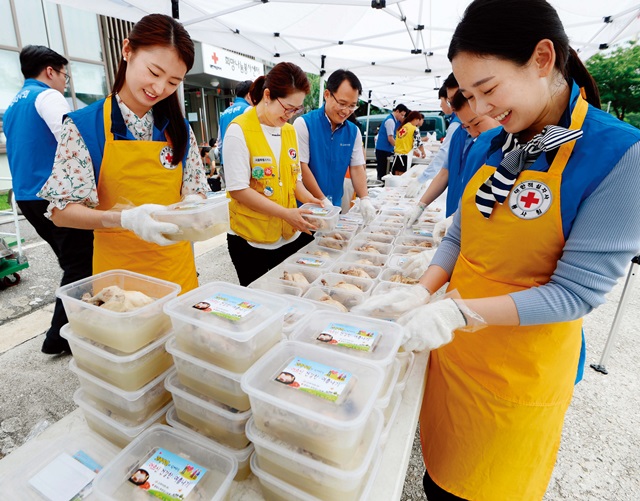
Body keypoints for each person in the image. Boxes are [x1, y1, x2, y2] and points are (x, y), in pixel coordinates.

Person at [353, 1, 640, 499]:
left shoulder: (618, 156)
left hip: (517, 373)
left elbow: (574, 294)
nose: (481, 110)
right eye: (468, 95)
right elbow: (462, 235)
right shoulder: (498, 144)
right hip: (455, 357)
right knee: (436, 476)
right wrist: (423, 292)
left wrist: (457, 314)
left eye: (488, 89)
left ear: (543, 58)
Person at [39, 14, 209, 293]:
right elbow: (62, 212)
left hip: (177, 274)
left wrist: (193, 207)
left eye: (173, 82)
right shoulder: (84, 126)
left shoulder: (179, 130)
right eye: (154, 73)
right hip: (119, 283)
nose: (159, 88)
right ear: (127, 50)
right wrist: (124, 219)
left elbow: (197, 190)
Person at [4, 45, 94, 355]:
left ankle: (82, 321)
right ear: (50, 71)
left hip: (28, 196)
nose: (66, 82)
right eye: (65, 74)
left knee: (74, 261)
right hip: (53, 196)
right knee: (80, 263)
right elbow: (72, 138)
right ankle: (59, 337)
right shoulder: (48, 96)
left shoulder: (13, 104)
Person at [223, 62, 324, 286]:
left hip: (287, 237)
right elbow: (239, 190)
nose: (290, 115)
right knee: (259, 305)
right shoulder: (238, 131)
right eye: (287, 107)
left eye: (296, 109)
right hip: (250, 242)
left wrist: (310, 200)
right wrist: (285, 213)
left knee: (291, 298)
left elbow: (293, 180)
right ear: (267, 95)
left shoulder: (289, 131)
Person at [404, 91, 500, 228]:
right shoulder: (459, 135)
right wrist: (421, 205)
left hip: (479, 224)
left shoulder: (502, 145)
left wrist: (459, 217)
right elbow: (445, 172)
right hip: (456, 216)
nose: (473, 133)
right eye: (466, 126)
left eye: (477, 123)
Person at [293, 69, 376, 222]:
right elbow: (301, 167)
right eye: (342, 103)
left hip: (334, 207)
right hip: (306, 209)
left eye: (352, 106)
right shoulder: (304, 124)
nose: (346, 111)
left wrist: (365, 198)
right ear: (327, 95)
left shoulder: (353, 131)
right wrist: (322, 200)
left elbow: (357, 167)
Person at [405, 75, 461, 197]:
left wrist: (422, 178)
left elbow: (445, 152)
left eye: (442, 101)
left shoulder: (458, 121)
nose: (441, 105)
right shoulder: (456, 120)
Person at [218, 79, 253, 179]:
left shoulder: (224, 113)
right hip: (244, 161)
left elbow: (220, 142)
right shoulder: (249, 110)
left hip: (226, 162)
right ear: (249, 95)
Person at [374, 103, 408, 180]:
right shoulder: (390, 121)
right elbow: (390, 138)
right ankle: (380, 186)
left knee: (385, 170)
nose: (402, 117)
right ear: (397, 111)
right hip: (383, 150)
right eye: (402, 115)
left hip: (386, 149)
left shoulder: (395, 121)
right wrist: (398, 148)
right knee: (382, 172)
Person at [391, 111, 427, 176]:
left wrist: (413, 152)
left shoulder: (402, 127)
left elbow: (403, 143)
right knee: (402, 179)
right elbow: (419, 143)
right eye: (418, 120)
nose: (418, 122)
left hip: (396, 156)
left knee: (395, 178)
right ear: (415, 119)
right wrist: (423, 153)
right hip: (404, 157)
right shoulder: (414, 129)